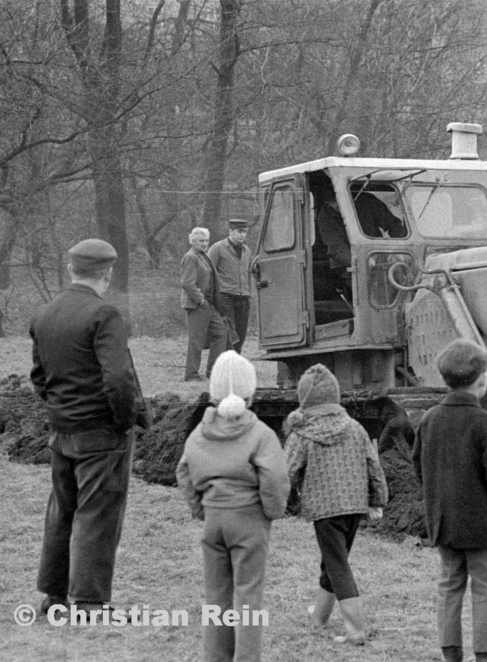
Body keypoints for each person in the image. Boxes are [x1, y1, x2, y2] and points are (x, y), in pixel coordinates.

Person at [31, 238, 147, 619]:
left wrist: (61, 411)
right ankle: (91, 603)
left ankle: (54, 596)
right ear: (108, 273)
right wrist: (124, 421)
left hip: (61, 432)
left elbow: (39, 377)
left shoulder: (44, 314)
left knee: (62, 511)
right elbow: (118, 378)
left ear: (71, 270)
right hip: (101, 433)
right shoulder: (105, 315)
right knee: (97, 515)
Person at [176, 350, 290, 662]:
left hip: (213, 523)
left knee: (216, 597)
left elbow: (184, 471)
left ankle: (216, 657)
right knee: (248, 597)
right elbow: (275, 478)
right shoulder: (261, 434)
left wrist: (201, 509)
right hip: (249, 522)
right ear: (251, 392)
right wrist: (272, 511)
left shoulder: (200, 433)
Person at [411, 339, 487, 662]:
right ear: (482, 379)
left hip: (444, 520)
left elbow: (419, 466)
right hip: (483, 523)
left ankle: (450, 653)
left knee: (449, 584)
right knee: (486, 588)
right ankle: (486, 655)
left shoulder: (429, 419)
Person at [283, 363, 389, 645]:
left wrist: (286, 501)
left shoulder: (302, 434)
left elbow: (286, 473)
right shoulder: (356, 428)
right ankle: (318, 618)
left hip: (325, 510)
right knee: (332, 562)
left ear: (304, 400)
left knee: (337, 564)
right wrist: (377, 499)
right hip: (355, 507)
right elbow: (373, 466)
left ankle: (355, 630)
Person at [314, 180, 406, 302]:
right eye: (333, 204)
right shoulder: (325, 217)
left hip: (376, 256)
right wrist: (359, 261)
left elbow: (393, 225)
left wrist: (400, 248)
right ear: (327, 203)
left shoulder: (367, 201)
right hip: (345, 264)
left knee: (403, 275)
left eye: (339, 201)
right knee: (369, 290)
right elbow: (336, 247)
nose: (338, 207)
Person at [181, 227, 228, 381]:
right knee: (196, 340)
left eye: (207, 240)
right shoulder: (191, 257)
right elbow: (187, 283)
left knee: (221, 333)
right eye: (201, 241)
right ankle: (191, 374)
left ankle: (213, 371)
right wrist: (200, 299)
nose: (205, 243)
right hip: (197, 305)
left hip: (209, 304)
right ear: (193, 241)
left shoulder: (203, 256)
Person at [207, 219, 253, 354]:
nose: (243, 235)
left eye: (245, 232)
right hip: (225, 297)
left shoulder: (247, 250)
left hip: (243, 297)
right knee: (229, 334)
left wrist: (249, 293)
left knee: (241, 334)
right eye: (239, 231)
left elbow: (248, 273)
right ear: (230, 231)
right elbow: (208, 271)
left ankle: (236, 361)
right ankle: (227, 365)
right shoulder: (217, 248)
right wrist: (211, 297)